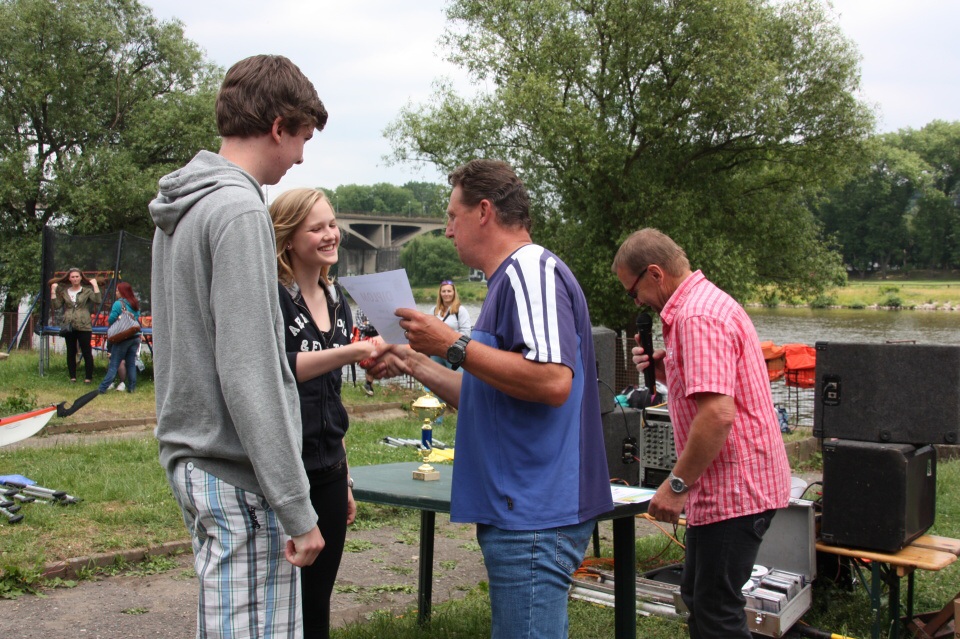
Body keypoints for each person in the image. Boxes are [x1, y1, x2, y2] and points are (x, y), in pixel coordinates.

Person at [367, 159, 613, 639]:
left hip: (536, 514)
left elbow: (552, 381)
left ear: (483, 212)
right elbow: (488, 397)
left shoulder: (530, 269)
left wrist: (451, 343)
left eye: (451, 216)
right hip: (519, 512)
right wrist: (413, 360)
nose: (446, 230)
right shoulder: (508, 279)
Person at [149, 55, 327, 638]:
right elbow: (249, 371)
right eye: (301, 138)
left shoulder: (183, 207)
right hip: (239, 477)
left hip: (195, 461)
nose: (300, 157)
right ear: (278, 126)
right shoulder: (240, 210)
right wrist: (297, 508)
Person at [611, 228, 791, 639]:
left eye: (633, 291)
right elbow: (720, 390)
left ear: (655, 273)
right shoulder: (705, 303)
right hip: (732, 488)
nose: (636, 302)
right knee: (700, 596)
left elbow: (718, 415)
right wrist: (667, 369)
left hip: (735, 492)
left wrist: (676, 485)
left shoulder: (696, 317)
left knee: (715, 613)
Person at [270, 187, 381, 639]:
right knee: (280, 604)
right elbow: (277, 367)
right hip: (283, 472)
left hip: (330, 472)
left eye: (332, 224)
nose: (330, 234)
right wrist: (352, 351)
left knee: (317, 603)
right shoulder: (273, 298)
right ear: (288, 239)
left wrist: (346, 476)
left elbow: (332, 394)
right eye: (316, 228)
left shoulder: (337, 300)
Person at [49, 268, 101, 383]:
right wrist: (53, 291)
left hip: (84, 325)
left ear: (81, 278)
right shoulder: (65, 292)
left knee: (86, 351)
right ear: (69, 279)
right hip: (69, 325)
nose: (75, 279)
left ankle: (88, 377)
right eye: (73, 277)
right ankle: (72, 377)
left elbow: (98, 300)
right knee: (71, 351)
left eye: (77, 276)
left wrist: (95, 285)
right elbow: (56, 306)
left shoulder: (86, 291)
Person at [97, 282, 141, 394]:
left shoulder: (118, 304)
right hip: (135, 336)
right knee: (131, 363)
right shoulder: (134, 303)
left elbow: (111, 319)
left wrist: (118, 318)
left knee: (114, 363)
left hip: (122, 337)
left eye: (117, 290)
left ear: (122, 292)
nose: (116, 292)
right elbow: (136, 317)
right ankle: (132, 387)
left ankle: (102, 388)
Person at [429, 280, 471, 369]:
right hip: (436, 352)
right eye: (443, 291)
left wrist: (450, 342)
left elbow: (466, 332)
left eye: (449, 291)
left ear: (454, 293)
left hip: (454, 353)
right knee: (433, 377)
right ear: (440, 293)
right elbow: (428, 329)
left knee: (456, 377)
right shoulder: (433, 310)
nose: (446, 294)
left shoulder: (461, 310)